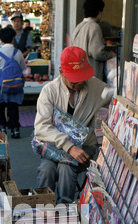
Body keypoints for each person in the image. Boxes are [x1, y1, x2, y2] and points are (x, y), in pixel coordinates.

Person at [34, 46, 113, 203]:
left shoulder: (96, 87)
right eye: (73, 80)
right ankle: (43, 207)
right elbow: (41, 127)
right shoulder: (49, 91)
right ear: (61, 72)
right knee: (46, 169)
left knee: (66, 168)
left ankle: (67, 209)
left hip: (84, 147)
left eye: (81, 78)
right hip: (55, 147)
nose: (78, 83)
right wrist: (68, 145)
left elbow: (115, 99)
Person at [0, 26, 26, 138]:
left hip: (1, 85)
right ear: (13, 38)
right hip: (15, 85)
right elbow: (22, 68)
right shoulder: (18, 52)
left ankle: (1, 127)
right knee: (13, 106)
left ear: (0, 39)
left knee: (0, 106)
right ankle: (15, 129)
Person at [71, 0, 116, 81]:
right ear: (99, 12)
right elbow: (97, 53)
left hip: (80, 71)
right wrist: (110, 54)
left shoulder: (79, 26)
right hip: (91, 74)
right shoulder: (94, 27)